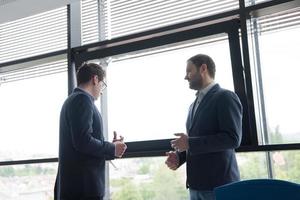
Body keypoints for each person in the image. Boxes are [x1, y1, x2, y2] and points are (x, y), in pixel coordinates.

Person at [165, 54, 243, 200]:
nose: (186, 77)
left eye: (189, 71)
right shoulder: (192, 106)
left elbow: (232, 139)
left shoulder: (225, 97)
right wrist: (179, 157)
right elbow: (196, 142)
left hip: (219, 187)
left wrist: (189, 143)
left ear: (203, 68)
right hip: (196, 187)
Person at [55, 62, 127, 200]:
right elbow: (82, 141)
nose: (101, 90)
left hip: (77, 187)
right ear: (95, 79)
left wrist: (110, 146)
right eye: (102, 84)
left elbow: (81, 141)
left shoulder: (73, 100)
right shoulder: (82, 100)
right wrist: (111, 148)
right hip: (83, 189)